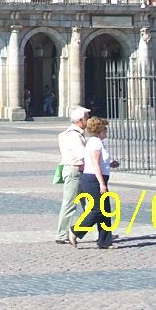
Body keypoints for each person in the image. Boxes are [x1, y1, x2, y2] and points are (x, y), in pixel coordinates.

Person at [74, 116, 119, 249]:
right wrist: (102, 183)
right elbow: (95, 164)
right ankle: (75, 231)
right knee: (98, 210)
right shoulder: (95, 143)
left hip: (97, 178)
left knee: (105, 211)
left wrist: (111, 163)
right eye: (105, 129)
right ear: (99, 130)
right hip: (93, 179)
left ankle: (104, 241)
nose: (106, 131)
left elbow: (101, 162)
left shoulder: (98, 142)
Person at [54, 105, 90, 246]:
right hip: (75, 171)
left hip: (77, 171)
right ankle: (62, 234)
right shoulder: (74, 136)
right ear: (81, 120)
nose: (88, 120)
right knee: (70, 204)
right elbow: (82, 155)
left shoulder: (70, 133)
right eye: (87, 118)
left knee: (92, 206)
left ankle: (103, 233)